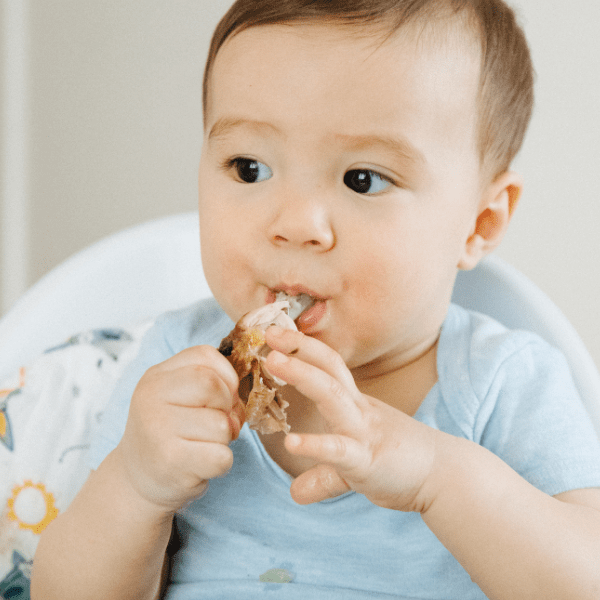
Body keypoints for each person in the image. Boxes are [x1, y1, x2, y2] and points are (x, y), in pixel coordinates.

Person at [31, 1, 600, 598]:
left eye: (363, 178)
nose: (296, 223)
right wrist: (135, 485)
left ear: (478, 223)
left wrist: (437, 477)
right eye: (249, 167)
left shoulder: (502, 383)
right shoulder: (177, 365)